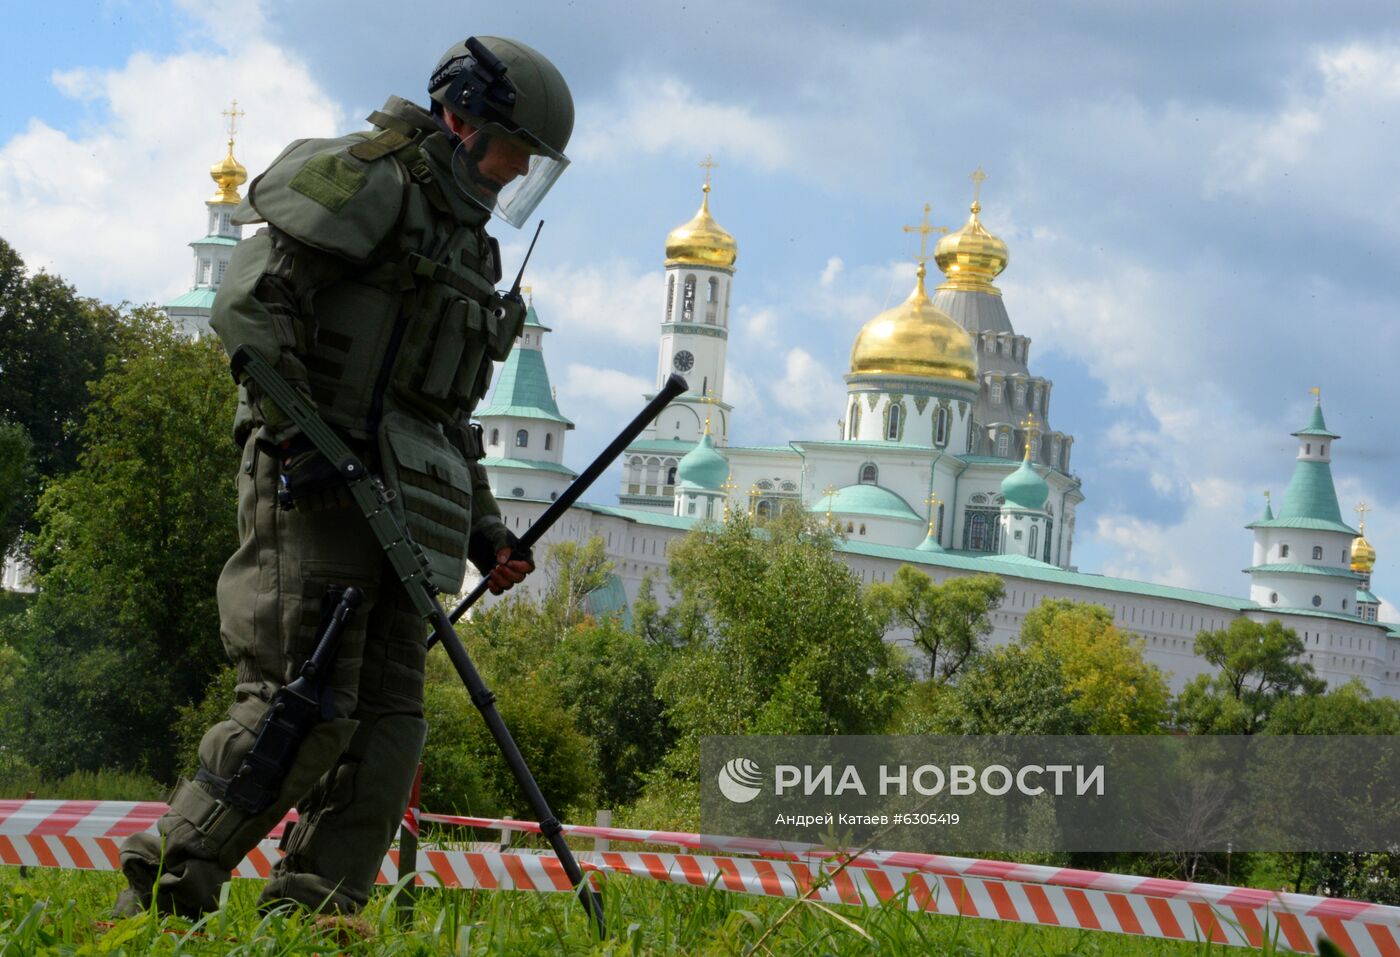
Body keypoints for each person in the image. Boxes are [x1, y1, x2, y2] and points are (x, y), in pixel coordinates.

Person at [115, 36, 574, 918]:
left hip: (405, 506)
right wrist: (300, 439)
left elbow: (440, 410)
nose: (518, 171)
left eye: (532, 159)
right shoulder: (367, 178)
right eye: (515, 148)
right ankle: (161, 898)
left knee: (387, 728)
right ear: (462, 118)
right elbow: (249, 302)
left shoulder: (468, 245)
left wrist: (486, 531)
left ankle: (317, 916)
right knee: (299, 702)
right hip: (313, 482)